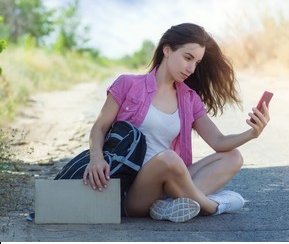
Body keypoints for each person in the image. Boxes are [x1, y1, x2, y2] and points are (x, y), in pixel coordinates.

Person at [82, 23, 270, 223]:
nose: (191, 68)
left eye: (196, 62)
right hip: (134, 189)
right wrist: (96, 158)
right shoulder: (128, 84)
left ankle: (172, 205)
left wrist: (251, 134)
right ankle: (211, 206)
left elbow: (218, 141)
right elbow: (99, 127)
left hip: (169, 185)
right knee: (169, 159)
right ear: (167, 50)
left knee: (233, 157)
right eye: (188, 58)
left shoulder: (189, 99)